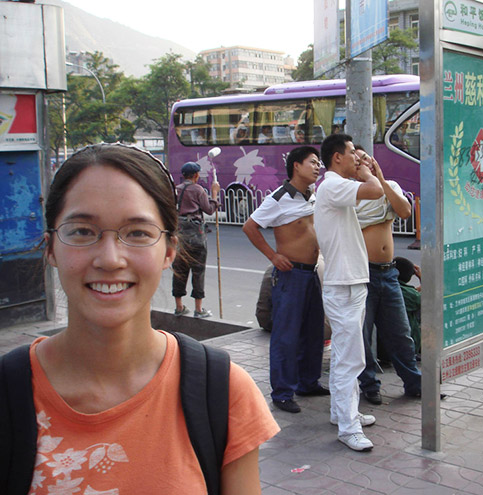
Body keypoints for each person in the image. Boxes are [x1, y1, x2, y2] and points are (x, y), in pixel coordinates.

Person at [9, 143, 279, 494]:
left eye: (137, 233)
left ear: (168, 250)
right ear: (50, 248)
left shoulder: (224, 391)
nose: (110, 259)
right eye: (82, 231)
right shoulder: (8, 394)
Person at [242, 146, 329, 414]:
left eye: (319, 163)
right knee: (286, 337)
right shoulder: (279, 198)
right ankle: (282, 392)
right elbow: (250, 226)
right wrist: (273, 256)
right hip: (290, 276)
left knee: (314, 332)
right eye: (312, 163)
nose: (318, 167)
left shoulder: (311, 195)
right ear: (296, 166)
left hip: (311, 273)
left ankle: (307, 382)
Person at [314, 133, 384, 452]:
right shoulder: (332, 184)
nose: (357, 157)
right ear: (337, 157)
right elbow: (375, 190)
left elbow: (377, 193)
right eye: (352, 153)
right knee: (349, 357)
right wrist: (366, 172)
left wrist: (367, 170)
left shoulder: (334, 187)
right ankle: (348, 427)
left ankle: (343, 413)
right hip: (343, 284)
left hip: (348, 281)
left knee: (347, 352)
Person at [353, 147, 422, 406]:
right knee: (362, 334)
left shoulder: (387, 186)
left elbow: (404, 211)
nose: (363, 164)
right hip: (363, 274)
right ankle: (369, 385)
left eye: (366, 159)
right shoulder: (350, 193)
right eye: (357, 160)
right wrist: (380, 215)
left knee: (400, 333)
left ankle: (414, 383)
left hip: (389, 273)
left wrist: (380, 178)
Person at [172, 161, 220, 318]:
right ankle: (198, 309)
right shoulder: (198, 189)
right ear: (196, 175)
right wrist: (214, 194)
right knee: (198, 270)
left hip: (179, 233)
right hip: (196, 234)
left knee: (179, 269)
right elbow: (209, 209)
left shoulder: (175, 190)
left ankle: (179, 306)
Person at [393, 257, 421, 359]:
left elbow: (415, 293)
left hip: (384, 347)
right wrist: (422, 278)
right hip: (405, 348)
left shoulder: (393, 288)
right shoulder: (410, 295)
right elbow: (427, 299)